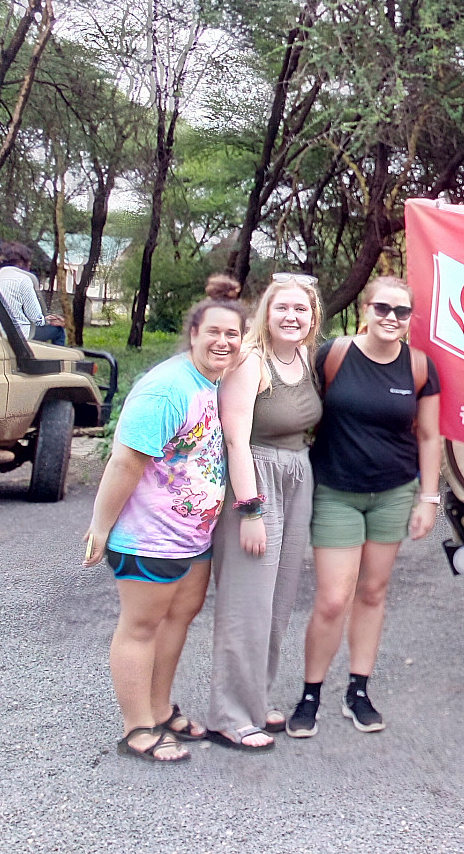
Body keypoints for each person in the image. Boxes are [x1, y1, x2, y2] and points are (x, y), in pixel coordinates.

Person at [81, 296, 245, 762]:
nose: (222, 341)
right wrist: (99, 527)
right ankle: (137, 729)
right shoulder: (167, 389)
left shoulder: (213, 382)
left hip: (192, 537)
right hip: (149, 536)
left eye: (231, 334)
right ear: (193, 332)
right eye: (213, 331)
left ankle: (160, 708)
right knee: (140, 627)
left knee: (178, 618)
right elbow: (126, 461)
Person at [287, 276, 441, 738]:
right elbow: (292, 401)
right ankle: (310, 693)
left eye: (402, 312)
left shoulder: (417, 366)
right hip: (335, 490)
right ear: (365, 309)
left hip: (392, 493)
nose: (391, 319)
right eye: (382, 309)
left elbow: (430, 436)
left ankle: (358, 690)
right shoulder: (332, 355)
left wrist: (427, 499)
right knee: (334, 599)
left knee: (373, 592)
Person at [206, 274, 324, 751]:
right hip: (256, 480)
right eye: (282, 309)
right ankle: (229, 715)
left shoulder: (306, 360)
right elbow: (235, 437)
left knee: (278, 601)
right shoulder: (251, 362)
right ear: (266, 314)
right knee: (246, 600)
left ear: (313, 317)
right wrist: (250, 509)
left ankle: (255, 700)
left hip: (298, 475)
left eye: (301, 310)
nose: (291, 317)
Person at [0, 242, 45, 339]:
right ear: (21, 262)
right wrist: (47, 320)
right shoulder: (23, 279)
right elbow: (35, 317)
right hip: (19, 337)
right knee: (57, 331)